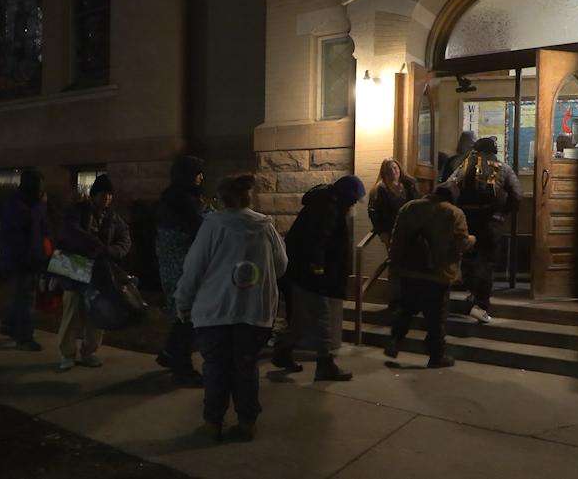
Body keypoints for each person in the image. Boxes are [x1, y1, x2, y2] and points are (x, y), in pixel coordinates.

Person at [174, 174, 287, 442]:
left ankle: (213, 424)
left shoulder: (213, 226)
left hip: (215, 311)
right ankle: (247, 423)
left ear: (222, 199)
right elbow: (281, 265)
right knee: (246, 368)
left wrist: (183, 301)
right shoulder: (265, 227)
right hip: (253, 312)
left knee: (215, 368)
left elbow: (193, 268)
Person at [271, 175, 366, 382]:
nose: (353, 205)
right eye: (353, 200)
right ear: (346, 196)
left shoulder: (325, 203)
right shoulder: (329, 208)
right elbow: (318, 242)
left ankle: (282, 351)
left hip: (302, 272)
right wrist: (319, 271)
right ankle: (325, 364)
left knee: (303, 319)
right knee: (322, 317)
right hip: (310, 275)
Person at [384, 182, 476, 368]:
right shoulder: (454, 213)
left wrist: (394, 264)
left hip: (409, 270)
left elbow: (397, 239)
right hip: (438, 274)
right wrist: (473, 240)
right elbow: (461, 244)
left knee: (406, 309)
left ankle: (395, 341)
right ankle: (437, 355)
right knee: (437, 318)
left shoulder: (409, 207)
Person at [56, 174, 131, 371]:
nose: (107, 198)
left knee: (98, 311)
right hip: (75, 265)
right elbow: (71, 233)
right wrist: (97, 246)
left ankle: (89, 351)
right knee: (72, 310)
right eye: (103, 194)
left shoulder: (113, 218)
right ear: (94, 194)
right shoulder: (78, 211)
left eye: (110, 194)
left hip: (99, 270)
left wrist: (111, 251)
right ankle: (67, 354)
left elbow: (124, 240)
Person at [448, 137, 522, 324]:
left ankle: (472, 295)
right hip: (490, 221)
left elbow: (449, 186)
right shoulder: (503, 168)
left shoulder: (465, 166)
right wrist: (502, 213)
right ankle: (480, 306)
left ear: (476, 150)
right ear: (494, 150)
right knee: (486, 262)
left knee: (468, 258)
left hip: (466, 220)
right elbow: (517, 195)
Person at [155, 155, 207, 386]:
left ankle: (169, 353)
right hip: (181, 265)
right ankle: (181, 366)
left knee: (184, 313)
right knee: (189, 314)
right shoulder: (183, 199)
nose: (201, 177)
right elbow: (198, 227)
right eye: (197, 173)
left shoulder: (174, 195)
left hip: (173, 264)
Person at [0, 168, 50, 352]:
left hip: (30, 258)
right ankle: (24, 337)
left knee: (21, 296)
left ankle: (10, 325)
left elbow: (41, 230)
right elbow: (18, 234)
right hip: (20, 259)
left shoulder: (33, 204)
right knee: (25, 298)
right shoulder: (18, 205)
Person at [368, 158, 420, 249]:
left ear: (399, 168)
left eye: (395, 168)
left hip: (412, 229)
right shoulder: (380, 190)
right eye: (389, 169)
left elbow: (418, 205)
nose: (393, 171)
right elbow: (374, 213)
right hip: (392, 230)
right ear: (384, 173)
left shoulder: (409, 185)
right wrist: (381, 232)